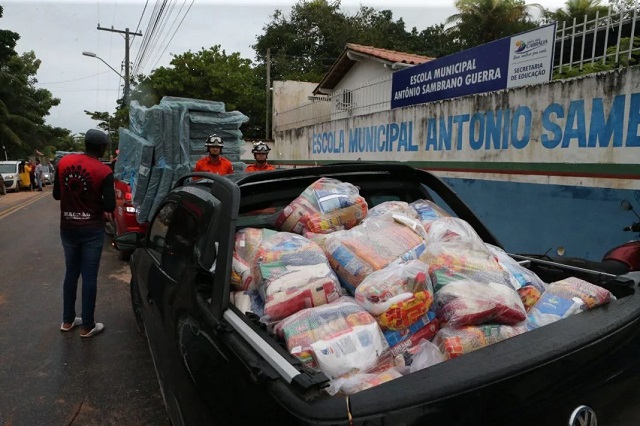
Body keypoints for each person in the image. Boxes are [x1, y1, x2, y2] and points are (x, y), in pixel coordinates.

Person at [53, 129, 116, 338]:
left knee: (71, 272)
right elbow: (109, 205)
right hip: (91, 230)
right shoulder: (104, 171)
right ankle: (88, 325)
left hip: (68, 228)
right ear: (101, 147)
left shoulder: (63, 164)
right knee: (89, 276)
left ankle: (67, 321)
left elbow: (56, 195)